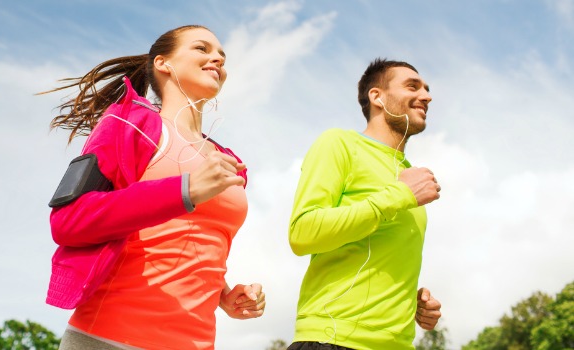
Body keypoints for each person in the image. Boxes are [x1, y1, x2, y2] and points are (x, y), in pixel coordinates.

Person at [42, 25, 265, 350]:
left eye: (222, 55)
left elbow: (186, 240)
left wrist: (224, 296)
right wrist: (183, 190)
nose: (217, 58)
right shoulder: (127, 125)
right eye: (202, 49)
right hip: (110, 337)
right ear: (164, 63)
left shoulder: (230, 162)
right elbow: (67, 222)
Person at [287, 58, 442, 350]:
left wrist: (413, 303)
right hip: (332, 339)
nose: (427, 96)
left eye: (427, 89)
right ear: (377, 97)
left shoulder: (409, 176)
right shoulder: (340, 143)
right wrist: (398, 195)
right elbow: (302, 233)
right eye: (413, 86)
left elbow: (377, 258)